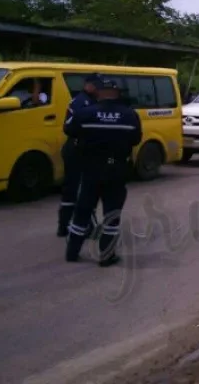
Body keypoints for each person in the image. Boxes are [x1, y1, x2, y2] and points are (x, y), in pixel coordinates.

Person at [63, 77, 142, 267]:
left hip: (91, 168)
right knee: (112, 214)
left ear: (98, 92)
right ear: (116, 93)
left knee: (82, 211)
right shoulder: (130, 115)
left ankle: (72, 253)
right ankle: (106, 256)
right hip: (116, 170)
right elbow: (135, 139)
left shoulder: (85, 113)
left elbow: (69, 130)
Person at [57, 73, 103, 237]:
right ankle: (80, 225)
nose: (98, 89)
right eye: (96, 86)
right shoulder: (80, 102)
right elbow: (68, 127)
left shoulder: (92, 102)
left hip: (84, 150)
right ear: (88, 85)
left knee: (75, 188)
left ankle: (68, 225)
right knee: (80, 189)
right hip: (77, 149)